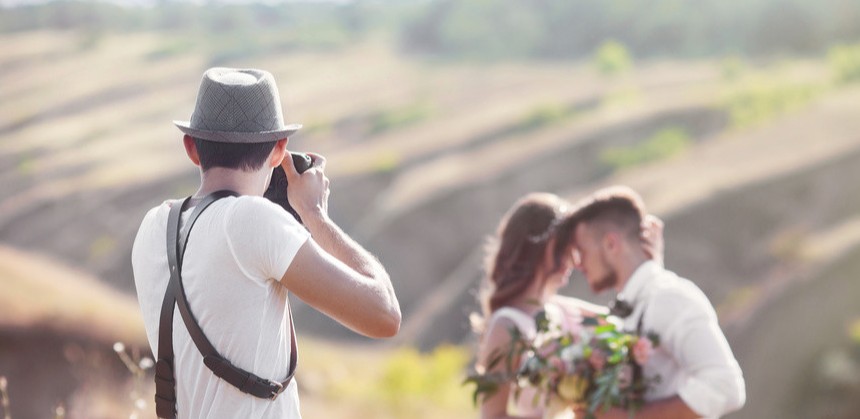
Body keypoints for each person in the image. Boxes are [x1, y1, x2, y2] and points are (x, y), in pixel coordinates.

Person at [131, 67, 401, 418]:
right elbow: (384, 315)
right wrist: (315, 214)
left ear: (191, 148)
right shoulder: (254, 222)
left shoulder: (153, 226)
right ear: (279, 151)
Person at [557, 186, 745, 419]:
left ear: (611, 244)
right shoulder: (634, 305)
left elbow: (725, 387)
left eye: (582, 251)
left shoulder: (670, 297)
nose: (578, 264)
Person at [473, 192, 662, 419]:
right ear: (545, 245)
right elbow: (492, 416)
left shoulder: (562, 310)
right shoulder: (505, 325)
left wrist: (651, 264)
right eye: (567, 247)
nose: (575, 260)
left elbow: (630, 322)